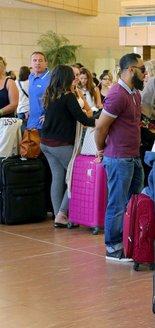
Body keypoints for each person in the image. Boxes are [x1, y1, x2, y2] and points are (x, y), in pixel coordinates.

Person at [94, 53, 145, 262]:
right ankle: (113, 247)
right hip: (118, 158)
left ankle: (129, 242)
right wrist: (100, 149)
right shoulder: (117, 95)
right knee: (117, 203)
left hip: (133, 156)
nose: (145, 74)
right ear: (131, 70)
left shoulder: (134, 94)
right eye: (142, 70)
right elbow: (101, 127)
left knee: (133, 203)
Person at [40, 65, 95, 228]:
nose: (75, 78)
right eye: (73, 76)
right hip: (61, 144)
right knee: (76, 176)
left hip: (46, 143)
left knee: (57, 177)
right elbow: (83, 119)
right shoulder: (68, 96)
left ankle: (58, 215)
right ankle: (63, 213)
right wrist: (102, 121)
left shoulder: (50, 95)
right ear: (66, 78)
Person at [28, 52, 50, 131]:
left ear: (46, 63)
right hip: (31, 123)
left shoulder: (51, 79)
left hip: (44, 124)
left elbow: (58, 99)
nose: (37, 63)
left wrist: (48, 115)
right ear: (30, 63)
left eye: (40, 60)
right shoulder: (31, 76)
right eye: (34, 60)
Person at [16, 66, 30, 130]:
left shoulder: (16, 82)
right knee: (31, 130)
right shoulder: (30, 82)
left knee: (21, 130)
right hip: (29, 108)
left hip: (20, 109)